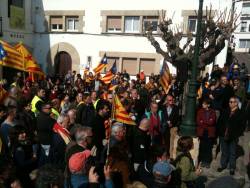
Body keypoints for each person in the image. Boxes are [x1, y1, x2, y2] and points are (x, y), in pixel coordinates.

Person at [217, 96, 245, 175]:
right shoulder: (225, 111)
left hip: (233, 136)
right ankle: (223, 165)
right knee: (224, 151)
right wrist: (220, 132)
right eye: (229, 102)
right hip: (223, 135)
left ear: (236, 103)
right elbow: (219, 122)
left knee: (232, 152)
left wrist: (236, 134)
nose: (230, 103)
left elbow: (242, 126)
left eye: (231, 102)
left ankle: (232, 167)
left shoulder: (241, 113)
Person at [196, 99, 216, 168]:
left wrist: (203, 121)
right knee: (202, 146)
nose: (202, 105)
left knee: (208, 147)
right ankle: (202, 160)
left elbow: (212, 122)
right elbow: (198, 121)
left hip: (209, 132)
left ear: (208, 105)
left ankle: (207, 162)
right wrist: (207, 121)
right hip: (202, 131)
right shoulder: (200, 111)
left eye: (204, 104)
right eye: (202, 104)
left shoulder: (212, 112)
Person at [162, 94, 180, 158]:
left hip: (172, 127)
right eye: (169, 100)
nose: (171, 101)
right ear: (166, 100)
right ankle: (166, 154)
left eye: (172, 100)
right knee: (166, 141)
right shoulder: (163, 107)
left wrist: (172, 123)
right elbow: (162, 116)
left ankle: (170, 155)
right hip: (165, 127)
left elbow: (177, 118)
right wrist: (166, 122)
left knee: (171, 142)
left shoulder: (176, 107)